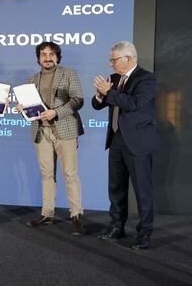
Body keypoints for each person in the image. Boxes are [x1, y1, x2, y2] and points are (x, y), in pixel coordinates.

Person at [92, 41, 160, 249]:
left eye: (114, 60)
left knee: (142, 190)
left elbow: (134, 104)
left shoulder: (146, 78)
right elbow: (97, 105)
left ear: (128, 59)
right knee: (116, 188)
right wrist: (100, 94)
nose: (111, 64)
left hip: (137, 142)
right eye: (111, 60)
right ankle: (116, 226)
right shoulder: (113, 79)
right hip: (116, 140)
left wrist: (109, 92)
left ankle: (144, 233)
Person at [16, 42, 85, 235]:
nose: (47, 58)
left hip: (65, 130)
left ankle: (76, 215)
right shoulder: (31, 80)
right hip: (41, 132)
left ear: (57, 57)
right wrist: (22, 111)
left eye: (51, 54)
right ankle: (47, 213)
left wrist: (55, 112)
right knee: (47, 175)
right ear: (38, 58)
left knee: (70, 174)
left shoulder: (69, 73)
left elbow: (78, 100)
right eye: (43, 54)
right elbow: (31, 112)